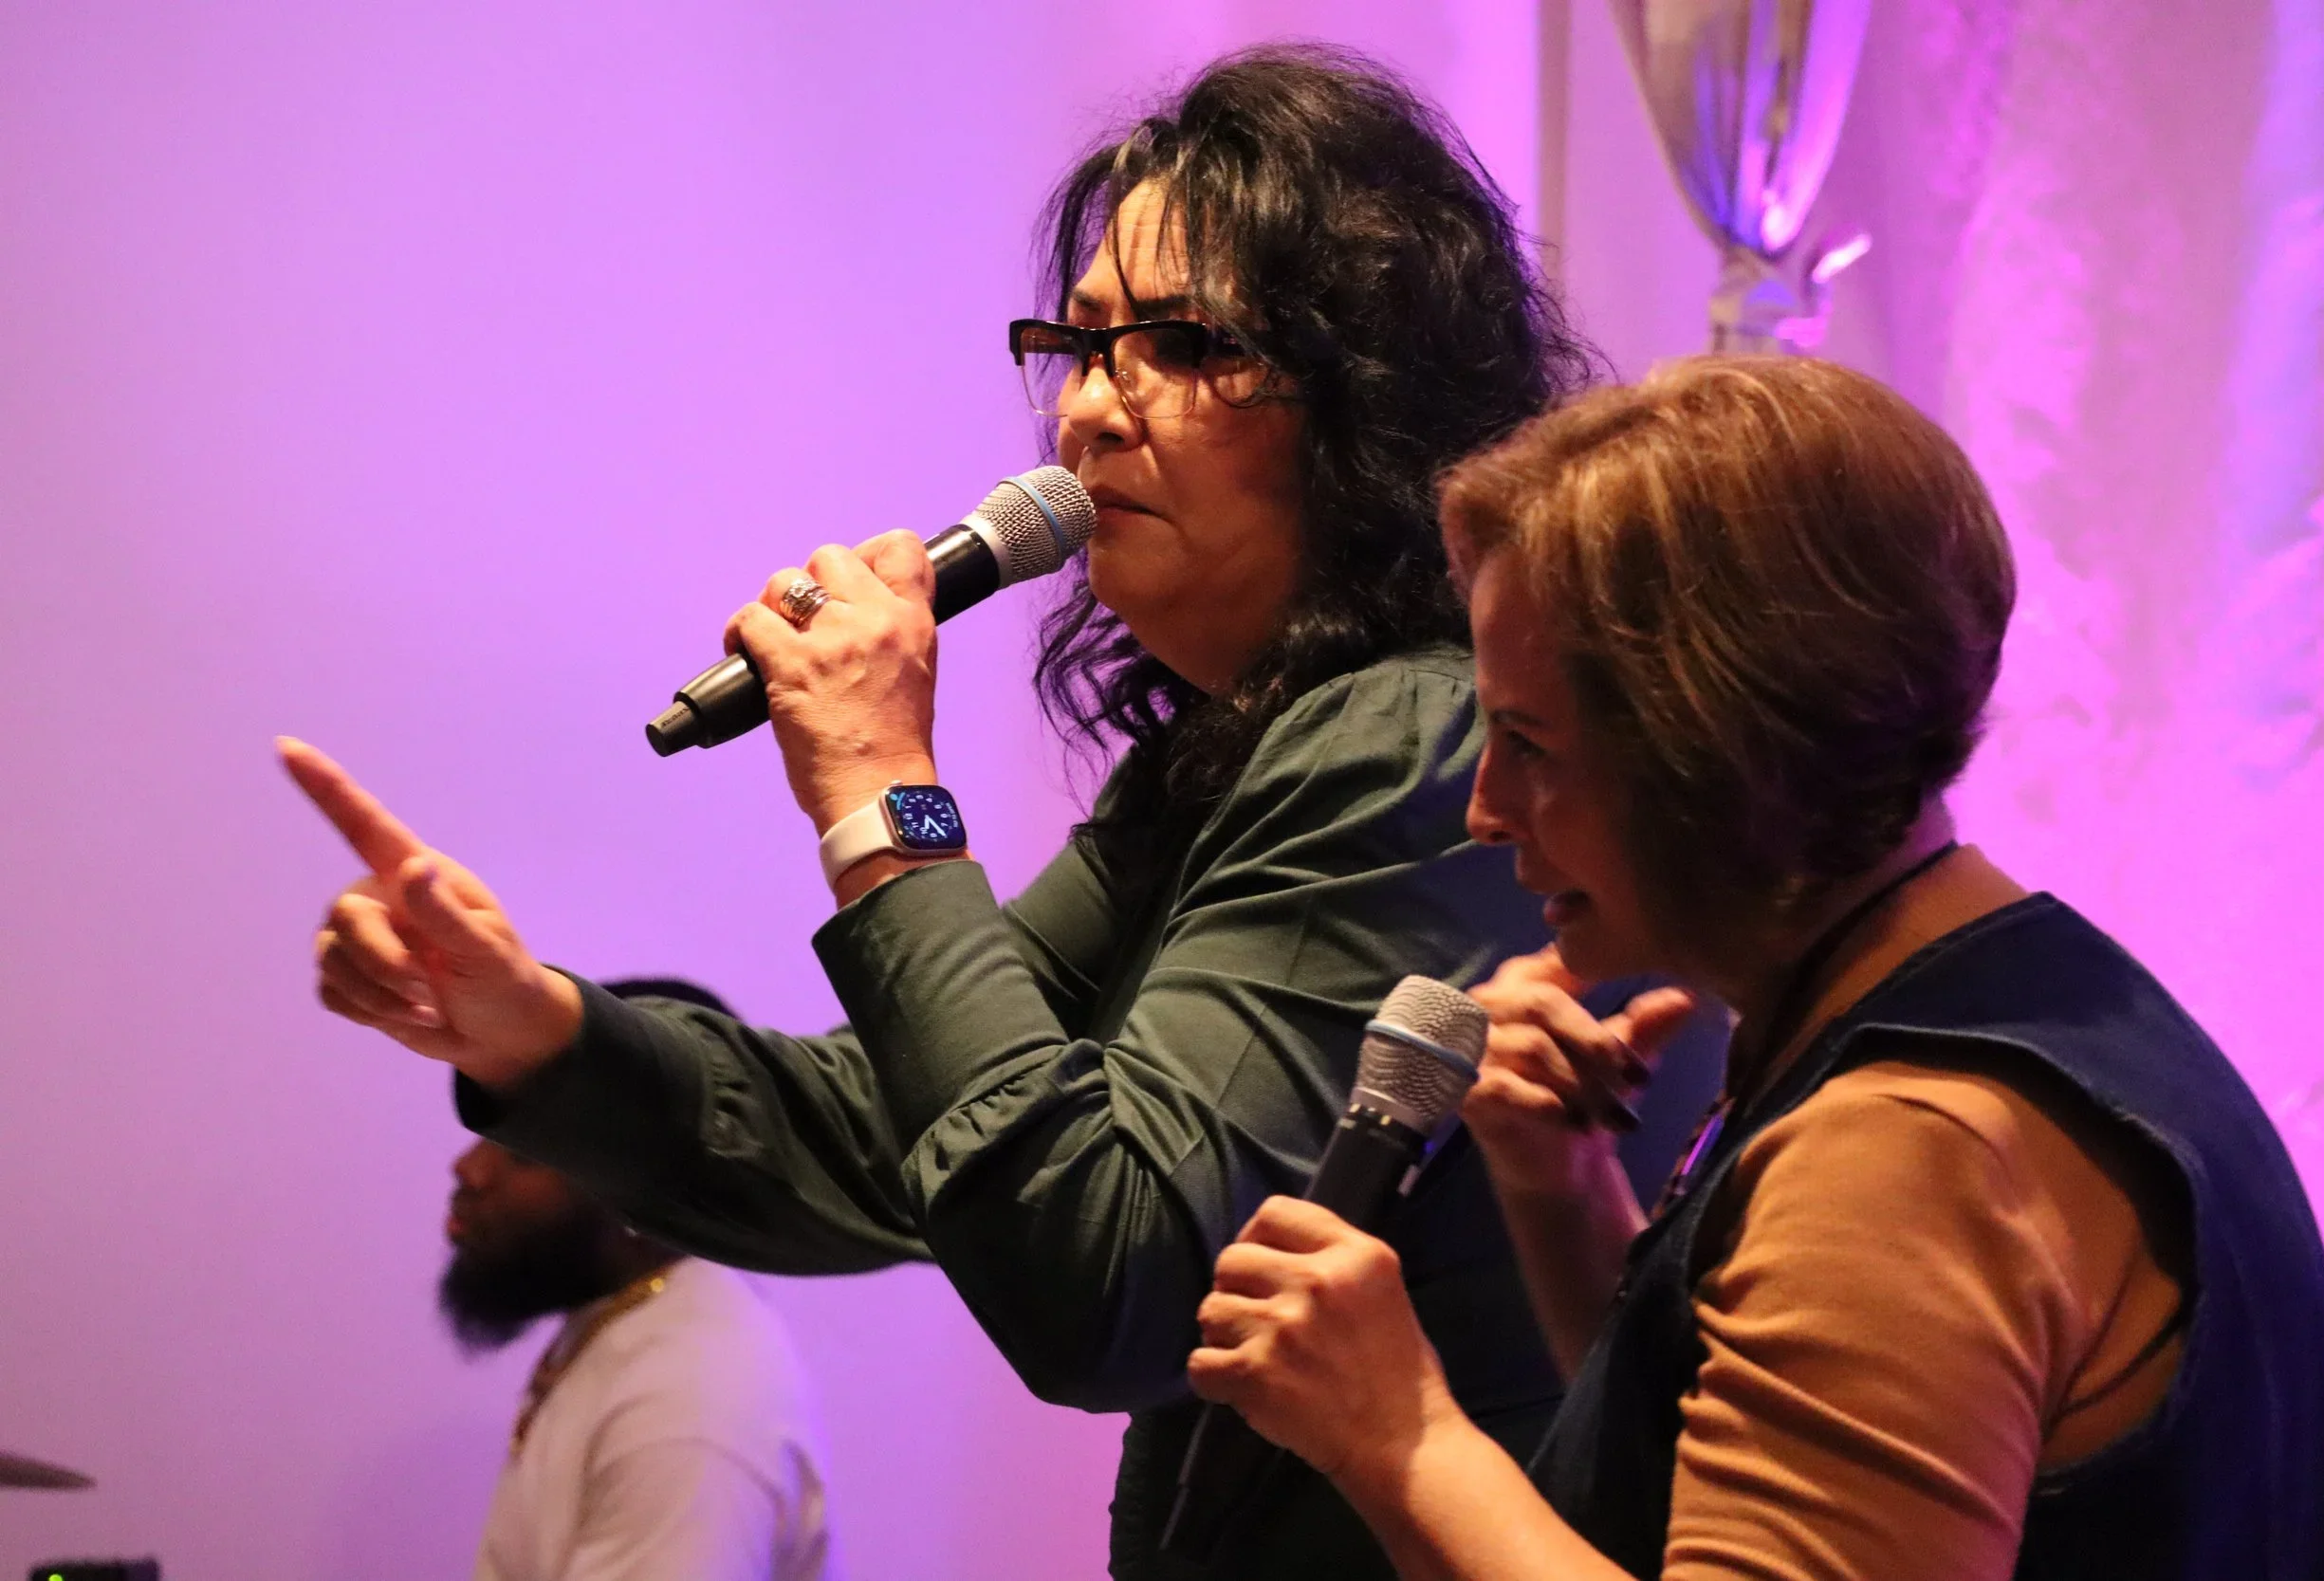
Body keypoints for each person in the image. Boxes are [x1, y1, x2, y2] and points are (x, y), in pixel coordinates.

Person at [284, 46, 1627, 1579]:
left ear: (1376, 401)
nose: (1091, 413)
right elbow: (888, 1127)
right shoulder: (1238, 754)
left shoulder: (1416, 741)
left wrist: (879, 794)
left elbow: (1116, 1280)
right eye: (1082, 343)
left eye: (1182, 345)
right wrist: (526, 1029)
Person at [1184, 356, 2324, 1580]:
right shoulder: (2038, 992)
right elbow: (1727, 1477)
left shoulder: (1907, 1149)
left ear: (1719, 749)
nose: (1487, 809)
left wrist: (1402, 1433)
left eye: (1531, 743)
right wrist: (1562, 1191)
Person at [439, 977, 833, 1581]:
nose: (469, 1169)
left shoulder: (688, 1403)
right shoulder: (625, 1318)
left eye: (524, 1150)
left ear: (655, 1195)